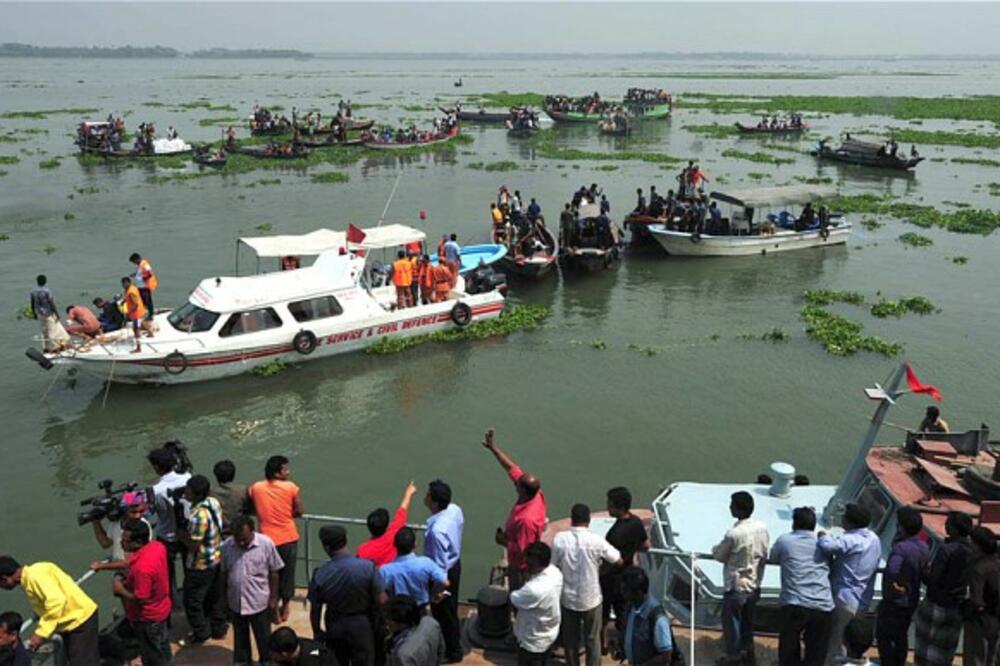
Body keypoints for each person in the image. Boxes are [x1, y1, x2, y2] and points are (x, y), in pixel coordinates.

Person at [553, 503, 622, 666]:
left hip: (568, 598)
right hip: (591, 598)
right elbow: (618, 560)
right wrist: (601, 570)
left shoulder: (560, 539)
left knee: (571, 640)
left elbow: (552, 565)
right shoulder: (596, 541)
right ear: (588, 520)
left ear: (572, 520)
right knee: (593, 639)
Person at [0, 557, 99, 665]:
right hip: (73, 619)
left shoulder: (34, 578)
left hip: (79, 621)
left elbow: (56, 602)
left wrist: (40, 633)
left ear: (4, 578)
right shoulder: (37, 570)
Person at [482, 428, 547, 590]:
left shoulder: (526, 520)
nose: (515, 483)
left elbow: (524, 550)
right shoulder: (535, 493)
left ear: (523, 490)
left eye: (517, 484)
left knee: (517, 595)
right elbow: (512, 469)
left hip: (521, 566)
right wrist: (494, 449)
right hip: (523, 539)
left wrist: (503, 540)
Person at [768, 506, 833, 666]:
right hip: (822, 605)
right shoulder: (823, 543)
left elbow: (774, 558)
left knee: (789, 652)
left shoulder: (785, 541)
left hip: (794, 603)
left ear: (794, 524)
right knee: (816, 655)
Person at [817, 503, 881, 665]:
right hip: (862, 599)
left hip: (845, 599)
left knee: (837, 643)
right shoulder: (874, 539)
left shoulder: (851, 540)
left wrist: (822, 535)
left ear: (849, 521)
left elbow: (827, 546)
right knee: (852, 641)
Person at [308, 525, 381, 666]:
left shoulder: (320, 574)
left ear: (326, 547)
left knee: (337, 661)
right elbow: (381, 599)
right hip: (362, 625)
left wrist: (317, 632)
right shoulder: (367, 567)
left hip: (335, 626)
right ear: (345, 541)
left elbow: (315, 609)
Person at [711, 491, 769, 666]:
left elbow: (720, 555)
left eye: (732, 505)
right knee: (747, 624)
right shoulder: (762, 528)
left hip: (736, 586)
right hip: (754, 584)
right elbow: (765, 553)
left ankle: (733, 660)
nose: (730, 507)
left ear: (738, 509)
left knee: (732, 626)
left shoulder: (733, 534)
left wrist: (714, 549)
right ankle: (749, 658)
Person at [222, 514, 284, 666]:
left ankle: (267, 661)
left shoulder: (266, 543)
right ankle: (243, 661)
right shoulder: (226, 547)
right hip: (236, 602)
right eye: (238, 539)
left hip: (259, 602)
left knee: (264, 638)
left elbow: (274, 571)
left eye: (245, 538)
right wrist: (223, 600)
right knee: (240, 636)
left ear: (252, 532)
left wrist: (273, 598)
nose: (241, 542)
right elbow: (223, 574)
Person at [913, 511, 974, 666]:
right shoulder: (973, 551)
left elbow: (933, 580)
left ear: (954, 528)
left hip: (937, 605)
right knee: (945, 652)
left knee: (925, 650)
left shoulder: (946, 550)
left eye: (948, 523)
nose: (945, 526)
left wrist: (923, 570)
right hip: (956, 606)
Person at [249, 455, 304, 624]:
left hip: (265, 539)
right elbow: (300, 510)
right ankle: (285, 606)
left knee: (268, 575)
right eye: (285, 469)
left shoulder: (256, 488)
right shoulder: (291, 488)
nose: (288, 471)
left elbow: (251, 507)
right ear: (277, 473)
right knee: (287, 574)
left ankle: (271, 607)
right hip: (287, 537)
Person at [113, 519, 172, 666]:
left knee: (152, 655)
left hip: (148, 618)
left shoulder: (142, 569)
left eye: (125, 540)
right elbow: (131, 562)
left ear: (137, 542)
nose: (121, 543)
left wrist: (120, 590)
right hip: (162, 609)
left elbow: (140, 598)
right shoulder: (157, 547)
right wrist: (102, 566)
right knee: (163, 647)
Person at [876, 506, 929, 666]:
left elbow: (893, 568)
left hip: (894, 601)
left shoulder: (901, 548)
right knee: (901, 637)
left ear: (902, 527)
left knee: (884, 637)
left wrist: (898, 584)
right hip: (911, 600)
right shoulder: (923, 547)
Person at [600, 487, 649, 657]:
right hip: (627, 576)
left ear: (618, 507)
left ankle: (604, 644)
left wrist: (599, 573)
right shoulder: (636, 522)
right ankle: (624, 644)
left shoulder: (614, 534)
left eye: (610, 505)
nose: (607, 507)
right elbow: (645, 545)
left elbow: (610, 561)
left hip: (611, 579)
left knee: (604, 612)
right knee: (623, 612)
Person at [180, 474, 228, 644]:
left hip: (200, 564)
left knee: (192, 601)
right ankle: (219, 628)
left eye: (188, 491)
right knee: (216, 596)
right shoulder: (213, 503)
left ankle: (201, 632)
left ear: (196, 494)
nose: (185, 493)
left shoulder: (198, 516)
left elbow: (194, 545)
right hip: (216, 557)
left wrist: (182, 535)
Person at [423, 480, 464, 664]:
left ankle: (453, 652)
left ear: (435, 503)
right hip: (455, 564)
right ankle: (452, 646)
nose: (426, 497)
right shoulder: (455, 509)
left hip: (443, 573)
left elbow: (439, 566)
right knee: (451, 609)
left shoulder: (436, 532)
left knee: (444, 614)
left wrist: (436, 591)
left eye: (428, 495)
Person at [510, 542, 563, 666]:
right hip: (549, 633)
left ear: (538, 564)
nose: (526, 565)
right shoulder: (555, 573)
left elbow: (514, 598)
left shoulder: (533, 590)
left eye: (529, 563)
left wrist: (522, 579)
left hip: (532, 641)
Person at [148, 445, 191, 595]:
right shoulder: (187, 478)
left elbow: (133, 501)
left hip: (166, 535)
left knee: (167, 574)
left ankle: (173, 602)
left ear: (156, 467)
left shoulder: (155, 490)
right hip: (187, 532)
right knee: (189, 567)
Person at [620, 566, 678, 666]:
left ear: (638, 593)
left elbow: (665, 656)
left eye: (625, 590)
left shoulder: (657, 618)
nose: (622, 593)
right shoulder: (631, 608)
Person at [378, 527, 448, 608]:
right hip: (421, 609)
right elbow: (445, 582)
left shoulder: (385, 570)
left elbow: (380, 594)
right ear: (414, 545)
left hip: (397, 612)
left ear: (395, 545)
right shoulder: (425, 563)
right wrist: (434, 596)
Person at [962, 526, 1000, 666]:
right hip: (995, 620)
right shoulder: (996, 562)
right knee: (990, 658)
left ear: (977, 545)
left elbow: (976, 601)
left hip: (980, 622)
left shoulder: (979, 568)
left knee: (975, 658)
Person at [359, 481, 418, 568]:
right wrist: (408, 493)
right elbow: (402, 510)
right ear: (387, 524)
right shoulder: (395, 532)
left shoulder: (363, 550)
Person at [90, 490, 152, 572]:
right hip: (119, 569)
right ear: (125, 511)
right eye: (133, 512)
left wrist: (101, 565)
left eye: (141, 512)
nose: (138, 515)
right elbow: (105, 543)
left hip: (134, 572)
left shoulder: (143, 526)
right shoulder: (116, 523)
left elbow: (131, 561)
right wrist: (95, 521)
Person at [383, 595, 445, 666]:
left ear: (401, 622)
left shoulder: (403, 656)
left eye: (389, 618)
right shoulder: (431, 623)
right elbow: (441, 651)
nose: (386, 621)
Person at [29, 274, 69, 352]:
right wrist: (57, 314)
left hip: (39, 314)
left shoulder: (33, 291)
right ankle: (54, 348)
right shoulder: (47, 291)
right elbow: (51, 303)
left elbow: (32, 303)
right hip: (48, 313)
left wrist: (34, 313)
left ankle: (46, 347)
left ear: (37, 281)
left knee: (44, 330)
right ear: (45, 281)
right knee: (52, 330)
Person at [212, 459, 248, 537]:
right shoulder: (242, 490)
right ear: (233, 474)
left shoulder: (210, 493)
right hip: (240, 532)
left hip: (219, 534)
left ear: (216, 475)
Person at [270, 626, 335, 665]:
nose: (272, 656)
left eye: (274, 653)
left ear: (284, 654)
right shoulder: (294, 643)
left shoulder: (311, 660)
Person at [121, 275, 149, 353]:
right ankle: (150, 333)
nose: (123, 286)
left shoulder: (131, 291)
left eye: (124, 284)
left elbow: (135, 305)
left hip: (136, 314)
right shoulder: (130, 289)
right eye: (122, 284)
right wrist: (124, 301)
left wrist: (128, 314)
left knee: (136, 330)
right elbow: (129, 298)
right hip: (136, 313)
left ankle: (138, 348)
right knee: (139, 326)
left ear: (129, 283)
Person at [129, 252, 158, 319]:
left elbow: (149, 274)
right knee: (142, 300)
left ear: (137, 259)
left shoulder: (144, 264)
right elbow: (140, 272)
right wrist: (134, 275)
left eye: (134, 261)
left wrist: (142, 279)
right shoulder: (139, 265)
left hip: (145, 286)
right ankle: (146, 312)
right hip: (140, 286)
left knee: (147, 301)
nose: (134, 263)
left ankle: (151, 314)